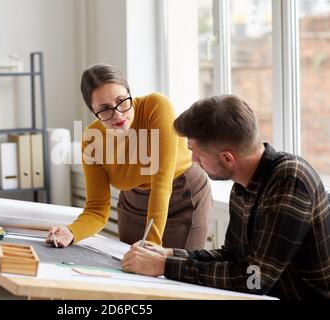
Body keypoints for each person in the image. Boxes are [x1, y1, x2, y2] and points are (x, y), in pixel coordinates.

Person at [121, 94, 330, 299]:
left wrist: (165, 266)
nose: (193, 159)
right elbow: (231, 256)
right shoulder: (242, 185)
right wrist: (168, 255)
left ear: (227, 158)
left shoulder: (290, 180)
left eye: (196, 152)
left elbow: (254, 279)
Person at [46, 63, 212, 249]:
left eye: (122, 100)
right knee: (128, 270)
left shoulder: (156, 106)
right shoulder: (92, 140)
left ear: (130, 93)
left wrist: (150, 246)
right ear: (93, 112)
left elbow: (161, 184)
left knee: (178, 271)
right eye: (105, 108)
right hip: (133, 203)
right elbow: (96, 209)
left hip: (181, 194)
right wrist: (71, 232)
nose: (117, 114)